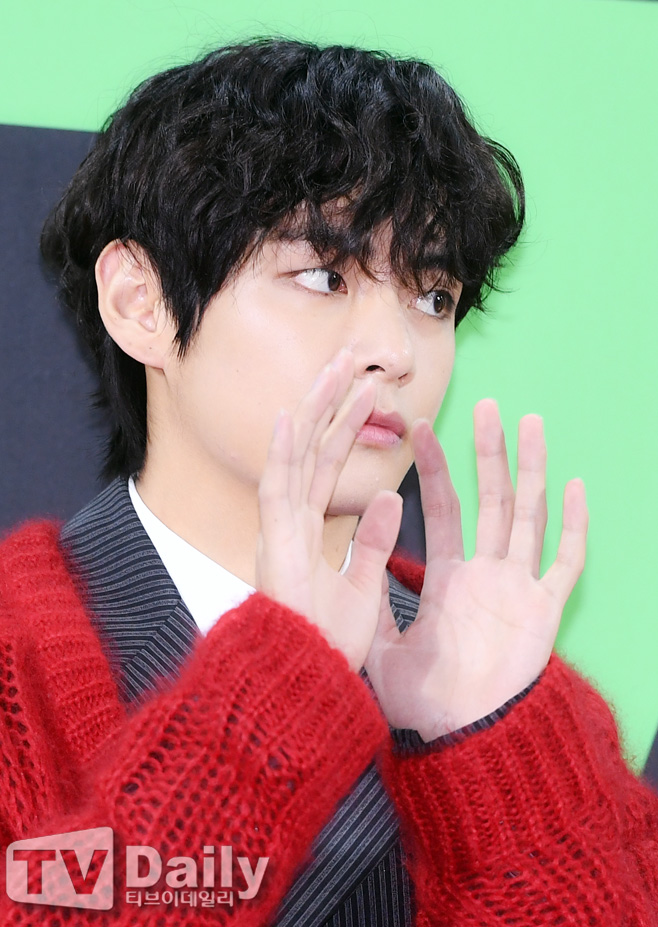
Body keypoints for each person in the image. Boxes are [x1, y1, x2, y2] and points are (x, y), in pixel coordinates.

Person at [0, 37, 656, 926]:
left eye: (432, 296)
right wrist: (274, 695)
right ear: (139, 302)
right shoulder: (17, 660)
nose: (396, 350)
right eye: (325, 275)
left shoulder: (505, 688)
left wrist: (495, 759)